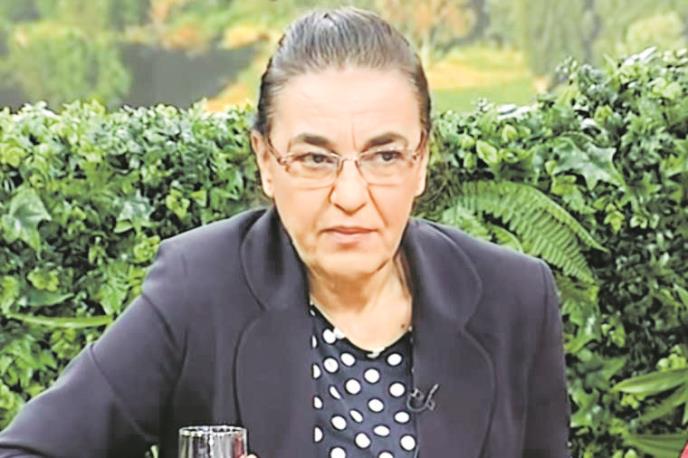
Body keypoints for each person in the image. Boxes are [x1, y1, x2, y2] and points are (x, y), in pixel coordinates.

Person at [0, 6, 570, 458]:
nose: (350, 195)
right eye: (316, 159)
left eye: (385, 155)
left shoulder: (514, 299)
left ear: (420, 160)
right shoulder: (198, 289)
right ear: (267, 162)